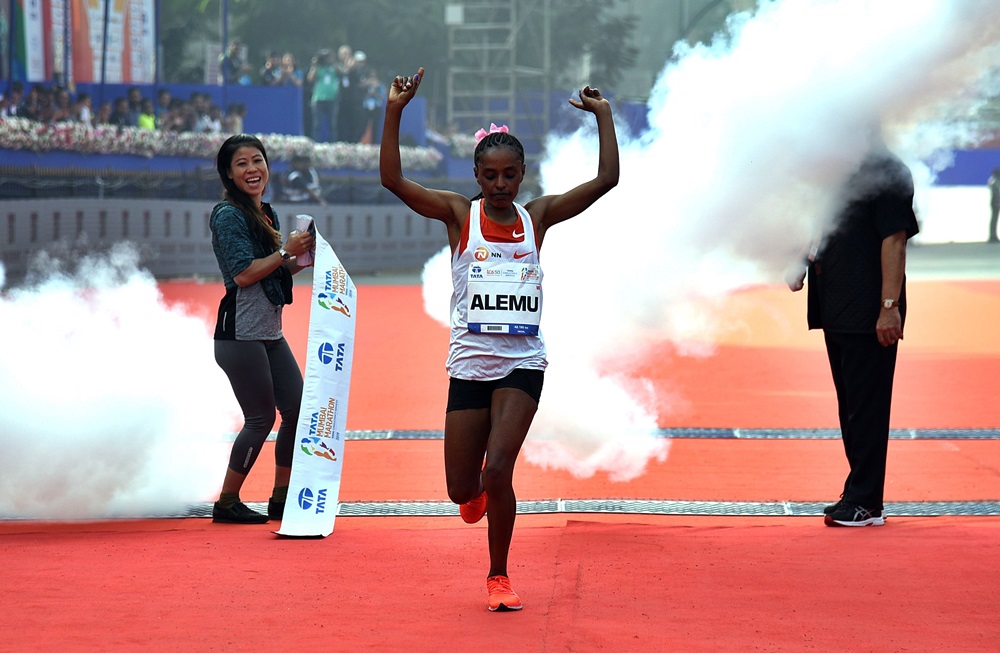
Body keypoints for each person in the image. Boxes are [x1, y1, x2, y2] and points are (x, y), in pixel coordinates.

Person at [380, 67, 619, 610]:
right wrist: (395, 110)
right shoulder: (457, 215)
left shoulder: (538, 218)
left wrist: (603, 115)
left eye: (511, 175)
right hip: (468, 365)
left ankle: (498, 576)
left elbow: (605, 182)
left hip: (522, 364)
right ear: (477, 175)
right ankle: (476, 497)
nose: (501, 185)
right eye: (491, 176)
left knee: (498, 467)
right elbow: (394, 181)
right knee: (461, 490)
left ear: (523, 176)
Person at [788, 124, 919, 528]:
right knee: (851, 407)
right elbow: (820, 221)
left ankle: (866, 502)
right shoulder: (837, 170)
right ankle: (859, 492)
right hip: (837, 307)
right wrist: (801, 261)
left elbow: (894, 240)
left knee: (867, 407)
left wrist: (888, 308)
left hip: (868, 312)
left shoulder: (888, 173)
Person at [209, 134, 316, 524]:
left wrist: (299, 258)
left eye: (258, 160)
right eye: (242, 164)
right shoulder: (228, 215)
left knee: (298, 410)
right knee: (260, 419)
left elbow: (272, 267)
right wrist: (286, 252)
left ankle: (281, 498)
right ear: (228, 173)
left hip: (268, 332)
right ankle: (227, 502)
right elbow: (243, 273)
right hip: (239, 334)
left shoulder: (263, 212)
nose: (253, 169)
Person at [307, 49, 340, 142]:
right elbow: (310, 78)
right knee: (317, 124)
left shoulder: (333, 67)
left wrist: (333, 61)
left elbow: (341, 72)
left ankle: (332, 144)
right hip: (318, 99)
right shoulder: (318, 68)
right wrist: (314, 64)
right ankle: (316, 143)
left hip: (332, 99)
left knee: (332, 125)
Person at [988, 169, 999, 243]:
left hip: (995, 202)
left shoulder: (993, 180)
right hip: (995, 202)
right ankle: (992, 236)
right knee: (994, 220)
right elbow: (996, 193)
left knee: (994, 220)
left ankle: (993, 235)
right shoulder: (993, 181)